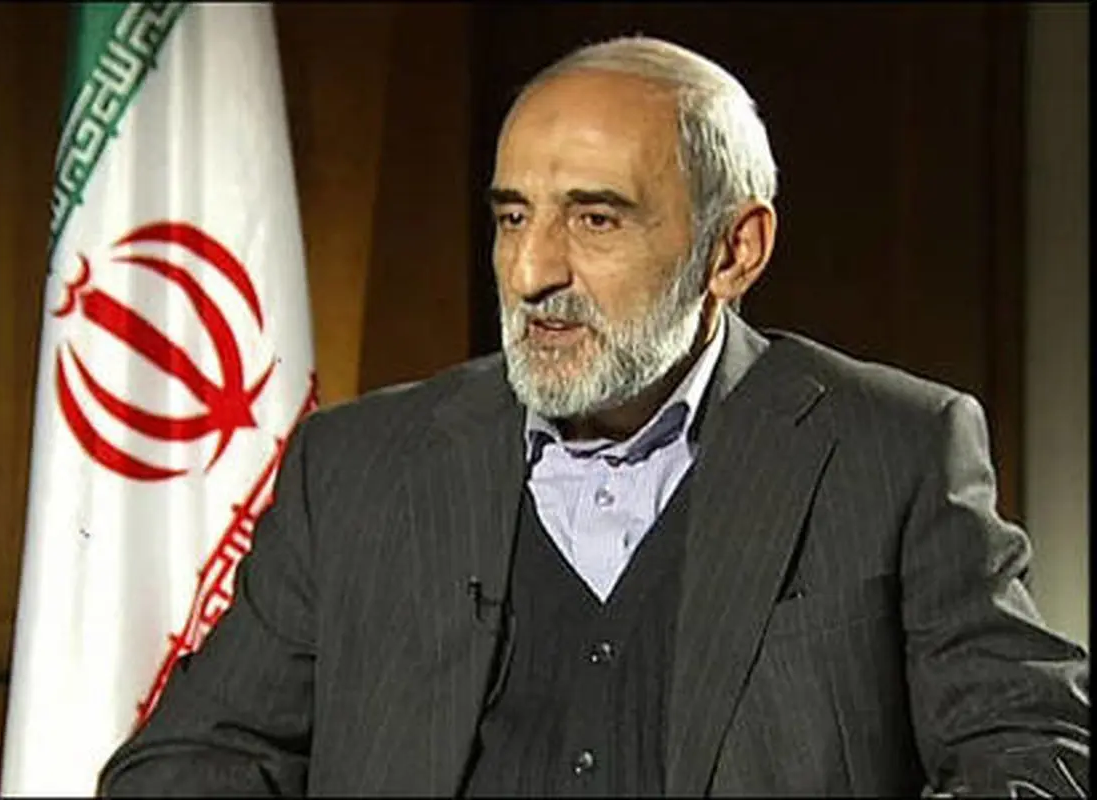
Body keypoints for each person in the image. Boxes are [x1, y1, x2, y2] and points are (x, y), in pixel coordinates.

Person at [99, 36, 1089, 796]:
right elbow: (189, 761)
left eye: (595, 217)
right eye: (513, 216)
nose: (533, 271)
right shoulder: (358, 465)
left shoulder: (891, 449)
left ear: (733, 251)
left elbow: (1038, 748)